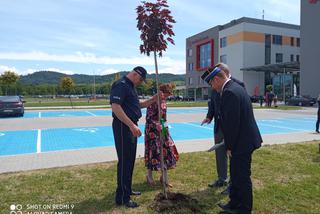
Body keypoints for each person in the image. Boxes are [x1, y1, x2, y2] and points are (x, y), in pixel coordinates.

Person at [201, 65, 262, 214]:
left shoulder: (229, 93)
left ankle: (244, 209)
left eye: (212, 84)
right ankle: (234, 203)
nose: (213, 88)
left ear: (216, 79)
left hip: (242, 142)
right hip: (242, 140)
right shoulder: (235, 87)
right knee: (235, 174)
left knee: (242, 178)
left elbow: (232, 124)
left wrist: (229, 146)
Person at [110, 66, 157, 208]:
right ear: (136, 75)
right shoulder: (121, 85)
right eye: (141, 80)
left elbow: (138, 105)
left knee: (129, 160)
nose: (141, 83)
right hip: (124, 126)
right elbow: (116, 107)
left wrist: (154, 99)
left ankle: (127, 190)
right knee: (125, 161)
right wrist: (131, 125)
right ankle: (122, 197)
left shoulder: (130, 87)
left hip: (130, 126)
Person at [201, 63, 245, 195]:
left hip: (231, 126)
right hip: (219, 125)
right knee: (220, 153)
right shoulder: (215, 84)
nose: (212, 86)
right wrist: (209, 117)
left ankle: (233, 184)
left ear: (223, 72)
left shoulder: (238, 85)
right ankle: (222, 178)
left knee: (233, 155)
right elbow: (212, 103)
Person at [144, 83, 179, 187]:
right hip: (152, 132)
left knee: (166, 151)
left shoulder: (164, 102)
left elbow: (164, 117)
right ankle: (149, 176)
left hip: (162, 129)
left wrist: (165, 127)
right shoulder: (152, 101)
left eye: (169, 94)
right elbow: (149, 118)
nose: (168, 96)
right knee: (153, 152)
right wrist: (156, 125)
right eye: (167, 94)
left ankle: (164, 177)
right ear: (161, 92)